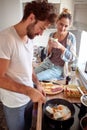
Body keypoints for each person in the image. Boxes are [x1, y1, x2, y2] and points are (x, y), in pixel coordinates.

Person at [0, 1, 57, 130]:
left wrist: (37, 83)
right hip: (14, 103)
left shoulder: (29, 38)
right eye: (42, 28)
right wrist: (29, 91)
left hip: (29, 98)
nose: (41, 33)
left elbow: (27, 64)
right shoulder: (5, 38)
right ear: (31, 18)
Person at [35, 8, 76, 81]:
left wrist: (61, 47)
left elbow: (72, 58)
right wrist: (50, 47)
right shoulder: (52, 35)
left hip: (58, 68)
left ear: (69, 26)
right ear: (57, 22)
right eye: (61, 24)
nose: (63, 28)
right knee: (30, 75)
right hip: (47, 63)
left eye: (66, 26)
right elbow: (46, 53)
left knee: (36, 79)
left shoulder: (71, 38)